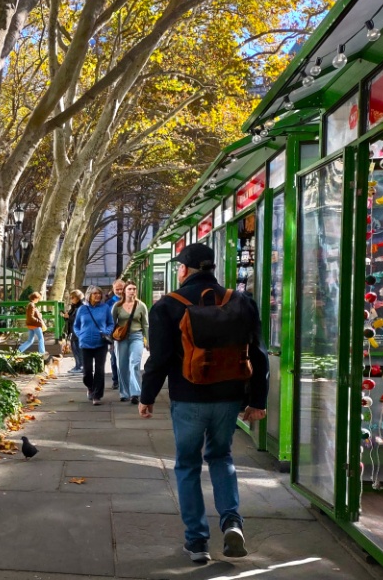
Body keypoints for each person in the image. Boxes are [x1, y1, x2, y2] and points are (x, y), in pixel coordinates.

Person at [139, 242, 268, 564]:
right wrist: (258, 400)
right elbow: (257, 356)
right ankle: (232, 523)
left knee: (187, 465)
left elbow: (160, 358)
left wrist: (147, 397)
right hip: (229, 397)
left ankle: (197, 542)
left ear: (183, 270)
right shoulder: (240, 301)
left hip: (188, 397)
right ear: (212, 269)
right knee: (222, 457)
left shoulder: (168, 305)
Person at [72, 286, 114, 405]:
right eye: (95, 294)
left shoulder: (105, 308)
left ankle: (97, 395)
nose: (98, 296)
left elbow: (111, 323)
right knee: (87, 371)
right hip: (85, 344)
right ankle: (90, 387)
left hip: (101, 343)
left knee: (100, 370)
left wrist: (106, 331)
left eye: (99, 294)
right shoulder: (82, 309)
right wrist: (81, 335)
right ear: (89, 295)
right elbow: (76, 325)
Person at [112, 281, 149, 404]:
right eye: (130, 289)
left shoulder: (141, 305)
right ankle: (124, 393)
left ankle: (135, 393)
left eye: (134, 289)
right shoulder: (117, 306)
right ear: (125, 291)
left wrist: (148, 340)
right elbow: (111, 324)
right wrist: (111, 340)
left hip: (136, 336)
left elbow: (145, 324)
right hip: (121, 338)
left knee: (135, 363)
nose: (132, 291)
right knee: (122, 365)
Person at [106, 279, 125, 390]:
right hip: (114, 335)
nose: (119, 291)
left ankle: (125, 380)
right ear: (113, 290)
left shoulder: (131, 301)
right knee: (114, 358)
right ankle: (116, 380)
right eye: (116, 289)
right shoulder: (108, 303)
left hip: (128, 334)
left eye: (121, 288)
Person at [61, 289, 85, 374]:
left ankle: (81, 366)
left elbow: (79, 320)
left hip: (79, 331)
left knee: (79, 349)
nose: (71, 299)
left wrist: (68, 317)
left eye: (72, 297)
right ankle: (78, 365)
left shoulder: (82, 306)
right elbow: (70, 318)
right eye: (70, 297)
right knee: (75, 349)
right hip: (73, 330)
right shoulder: (74, 306)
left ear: (78, 297)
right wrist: (66, 316)